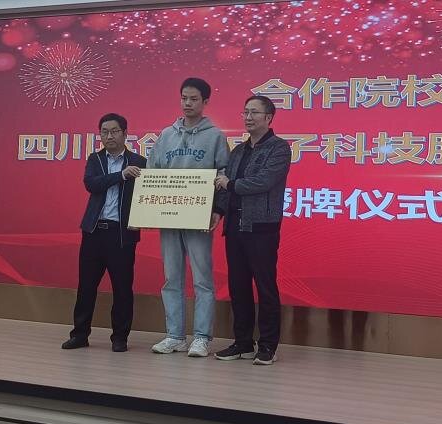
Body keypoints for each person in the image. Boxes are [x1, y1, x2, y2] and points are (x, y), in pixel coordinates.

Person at [148, 78, 229, 357]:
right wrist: (149, 208)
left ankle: (202, 337)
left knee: (202, 279)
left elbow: (224, 175)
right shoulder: (166, 135)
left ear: (205, 102)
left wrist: (218, 210)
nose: (187, 103)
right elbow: (152, 173)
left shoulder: (215, 136)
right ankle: (175, 336)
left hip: (198, 216)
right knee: (171, 278)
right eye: (184, 98)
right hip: (169, 215)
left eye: (194, 99)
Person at [213, 95, 291, 365]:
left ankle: (268, 345)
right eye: (245, 112)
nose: (248, 117)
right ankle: (243, 343)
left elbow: (263, 181)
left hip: (262, 228)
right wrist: (218, 211)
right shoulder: (238, 151)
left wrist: (230, 184)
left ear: (268, 118)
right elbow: (223, 187)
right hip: (235, 227)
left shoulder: (279, 148)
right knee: (238, 287)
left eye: (254, 112)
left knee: (265, 287)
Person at [62, 113, 147, 352]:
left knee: (122, 288)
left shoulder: (139, 161)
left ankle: (120, 338)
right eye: (104, 132)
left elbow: (146, 195)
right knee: (86, 287)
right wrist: (121, 175)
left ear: (125, 134)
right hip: (94, 232)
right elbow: (92, 184)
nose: (109, 136)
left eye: (114, 131)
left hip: (121, 234)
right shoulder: (95, 159)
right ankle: (80, 334)